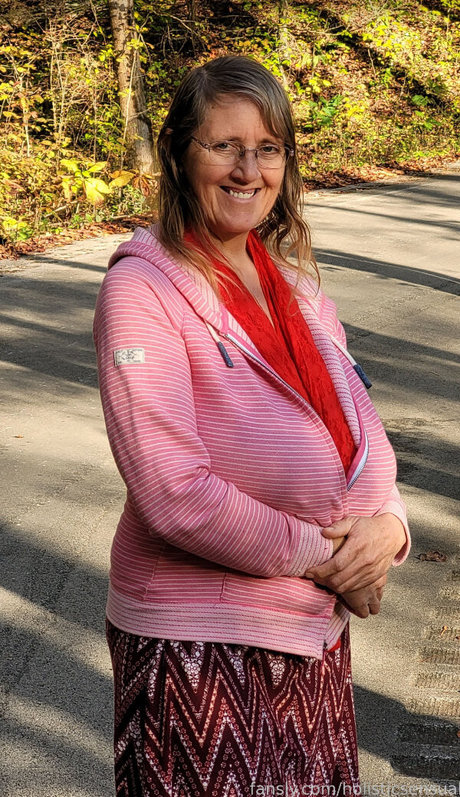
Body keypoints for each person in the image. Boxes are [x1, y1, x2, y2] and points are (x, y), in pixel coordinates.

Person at [93, 55, 410, 796]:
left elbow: (365, 438)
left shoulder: (293, 286)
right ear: (179, 155)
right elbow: (175, 492)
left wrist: (387, 531)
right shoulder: (141, 291)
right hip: (196, 647)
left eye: (268, 148)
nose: (248, 170)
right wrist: (329, 560)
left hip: (311, 636)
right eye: (224, 146)